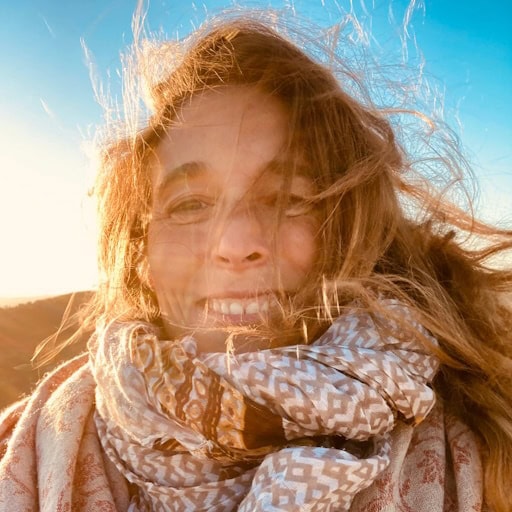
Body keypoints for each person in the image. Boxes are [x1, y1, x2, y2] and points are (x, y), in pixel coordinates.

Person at [1, 13, 511, 512]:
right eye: (190, 204)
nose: (236, 242)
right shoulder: (22, 450)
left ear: (354, 233)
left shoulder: (492, 446)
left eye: (289, 198)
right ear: (141, 255)